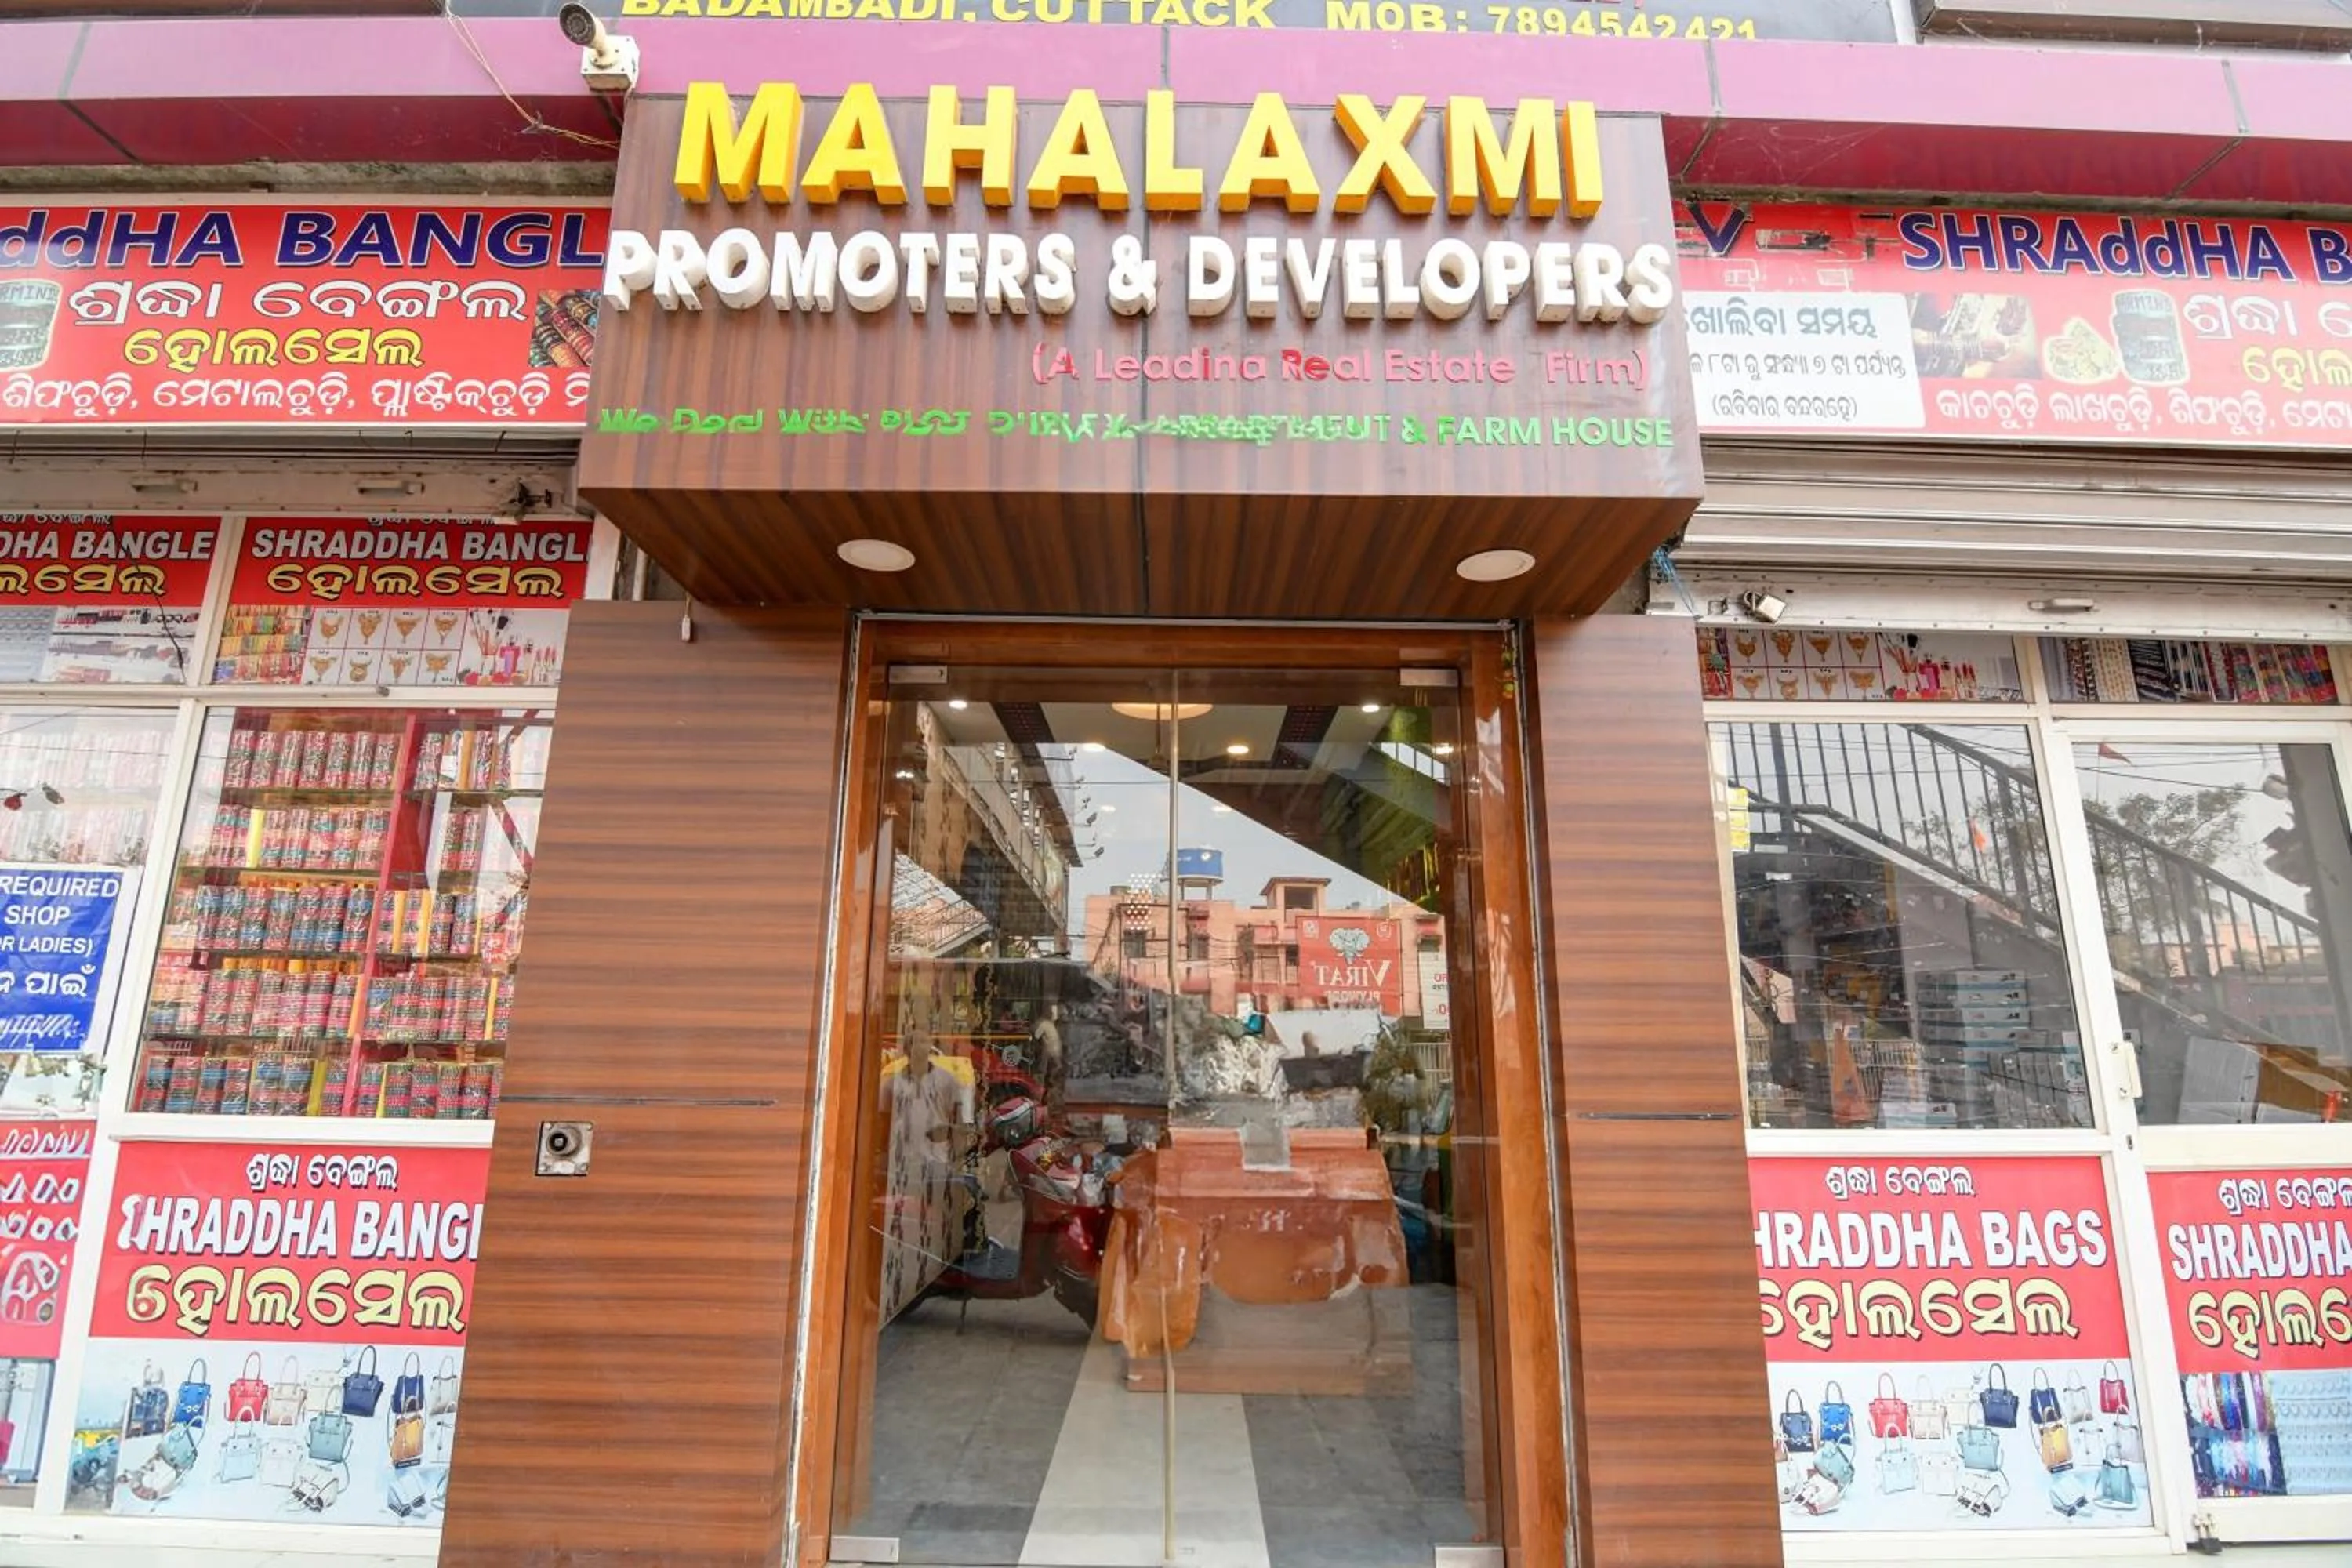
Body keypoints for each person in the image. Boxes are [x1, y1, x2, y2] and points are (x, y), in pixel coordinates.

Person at [1031, 1002, 1065, 1118]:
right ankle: (1042, 1100)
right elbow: (1035, 1036)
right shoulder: (1044, 1024)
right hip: (1048, 1055)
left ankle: (1047, 1100)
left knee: (1053, 1076)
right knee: (1046, 1077)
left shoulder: (1052, 1025)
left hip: (1054, 1055)